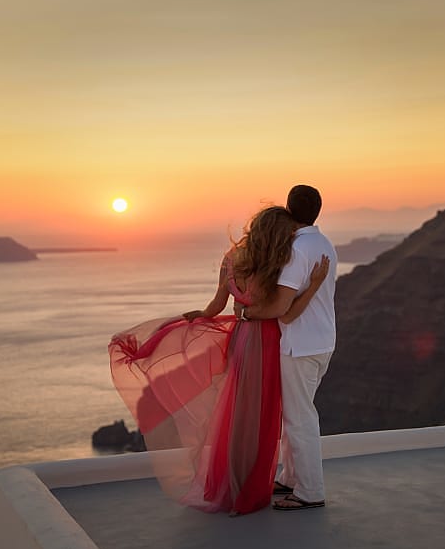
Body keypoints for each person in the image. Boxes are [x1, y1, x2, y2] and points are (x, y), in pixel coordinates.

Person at [108, 205, 329, 515]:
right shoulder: (272, 267)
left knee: (238, 411)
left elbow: (214, 306)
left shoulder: (231, 260)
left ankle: (230, 484)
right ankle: (251, 486)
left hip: (241, 340)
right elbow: (284, 311)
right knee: (263, 416)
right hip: (268, 342)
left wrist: (199, 318)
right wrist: (316, 284)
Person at [239, 185, 337, 511]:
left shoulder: (298, 249)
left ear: (289, 209)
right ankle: (291, 478)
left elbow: (281, 306)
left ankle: (310, 492)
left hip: (300, 344)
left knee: (299, 418)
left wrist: (247, 313)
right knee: (298, 413)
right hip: (322, 341)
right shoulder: (323, 243)